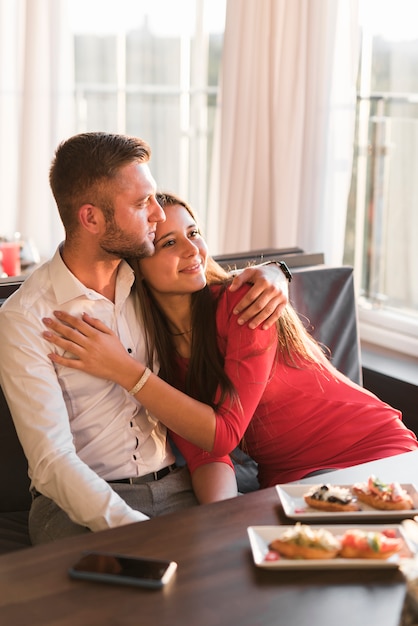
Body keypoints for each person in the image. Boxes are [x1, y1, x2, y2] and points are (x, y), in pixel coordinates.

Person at [0, 133, 291, 544]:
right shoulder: (24, 319)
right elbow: (52, 462)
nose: (157, 214)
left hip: (177, 487)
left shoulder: (152, 283)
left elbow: (211, 277)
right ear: (91, 219)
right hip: (77, 507)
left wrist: (278, 272)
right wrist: (136, 531)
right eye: (141, 204)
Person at [41, 192, 418, 499]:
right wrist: (219, 525)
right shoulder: (155, 351)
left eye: (194, 232)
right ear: (136, 267)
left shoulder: (243, 304)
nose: (193, 251)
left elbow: (224, 433)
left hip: (373, 454)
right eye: (169, 242)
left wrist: (123, 371)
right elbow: (207, 453)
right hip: (293, 483)